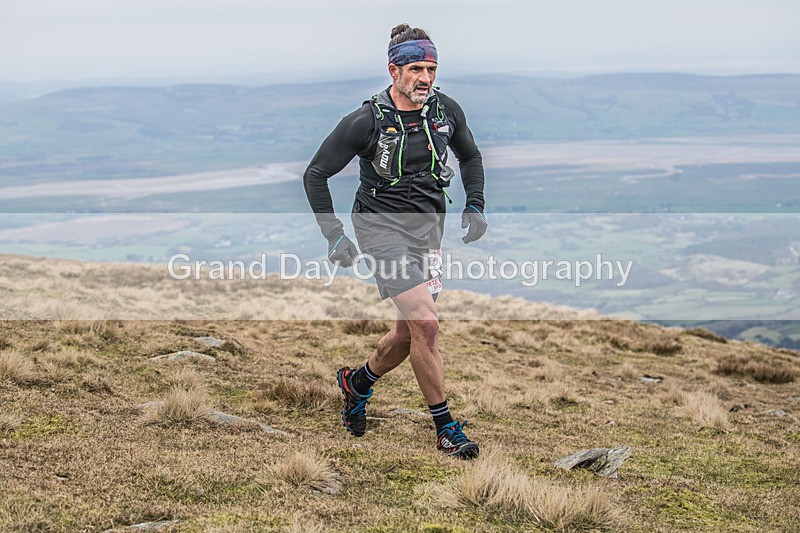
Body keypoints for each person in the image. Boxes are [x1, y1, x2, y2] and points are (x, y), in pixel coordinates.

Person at [303, 24, 487, 459]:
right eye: (416, 68)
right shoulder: (365, 121)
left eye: (432, 68)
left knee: (407, 335)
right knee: (427, 324)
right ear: (395, 70)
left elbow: (471, 155)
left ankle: (358, 382)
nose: (425, 77)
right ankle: (444, 428)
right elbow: (315, 174)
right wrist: (334, 236)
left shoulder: (446, 111)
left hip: (428, 230)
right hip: (379, 230)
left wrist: (475, 203)